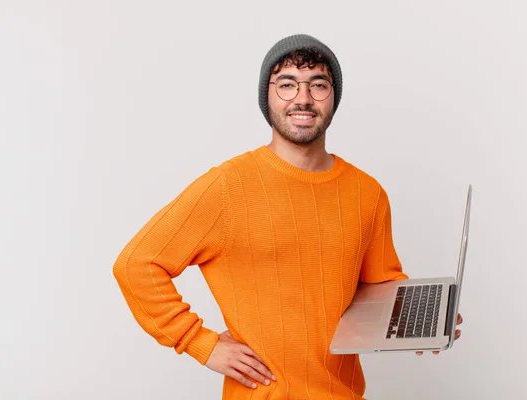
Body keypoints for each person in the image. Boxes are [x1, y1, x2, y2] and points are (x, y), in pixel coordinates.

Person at [112, 33, 462, 399]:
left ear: (333, 98)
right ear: (267, 96)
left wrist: (419, 321)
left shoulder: (367, 193)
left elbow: (378, 286)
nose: (303, 98)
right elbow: (136, 264)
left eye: (318, 85)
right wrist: (201, 343)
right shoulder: (228, 186)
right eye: (287, 84)